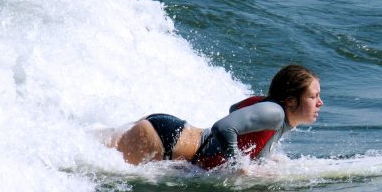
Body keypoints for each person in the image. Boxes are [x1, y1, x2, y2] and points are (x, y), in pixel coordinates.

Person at [107, 64, 323, 170]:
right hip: (165, 142)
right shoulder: (274, 113)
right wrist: (239, 165)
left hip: (172, 135)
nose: (320, 102)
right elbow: (223, 127)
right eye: (313, 96)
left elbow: (235, 108)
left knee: (96, 147)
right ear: (290, 100)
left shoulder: (277, 116)